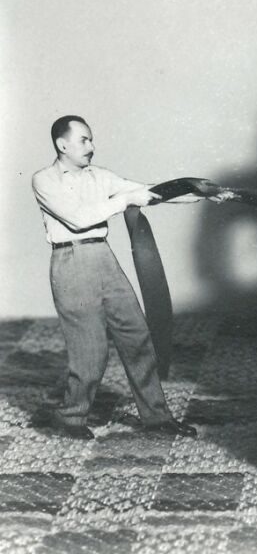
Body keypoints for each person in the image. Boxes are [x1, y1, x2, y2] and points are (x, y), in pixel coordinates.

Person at [32, 115, 205, 440]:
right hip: (71, 262)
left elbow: (146, 192)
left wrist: (198, 190)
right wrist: (124, 200)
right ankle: (70, 418)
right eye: (84, 140)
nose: (91, 147)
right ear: (62, 144)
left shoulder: (101, 177)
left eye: (92, 139)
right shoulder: (44, 180)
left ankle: (157, 418)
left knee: (137, 335)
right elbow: (79, 218)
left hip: (103, 258)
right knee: (91, 351)